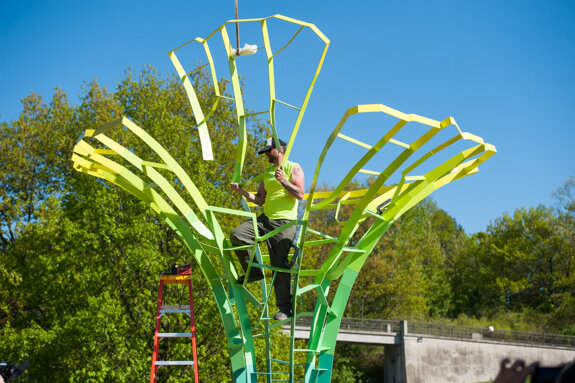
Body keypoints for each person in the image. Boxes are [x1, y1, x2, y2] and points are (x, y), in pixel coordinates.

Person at [230, 137, 305, 321]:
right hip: (265, 219)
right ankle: (254, 271)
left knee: (279, 264)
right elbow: (260, 200)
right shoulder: (267, 173)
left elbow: (300, 194)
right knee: (238, 235)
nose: (265, 155)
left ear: (279, 149)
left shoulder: (293, 167)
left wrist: (283, 181)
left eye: (267, 151)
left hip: (284, 222)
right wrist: (242, 192)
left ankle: (284, 309)